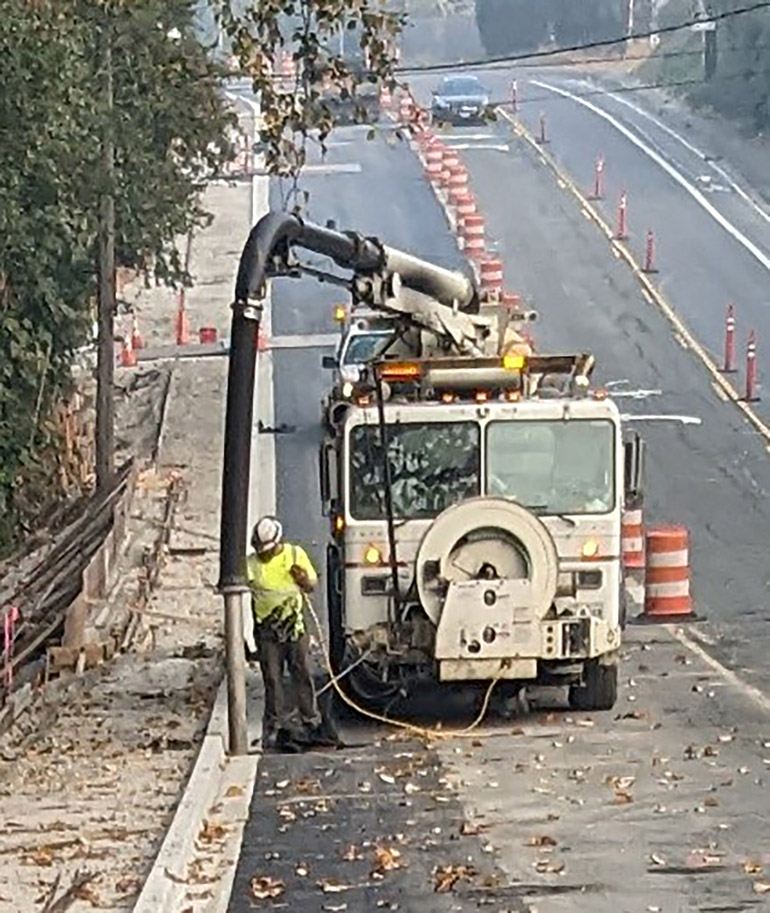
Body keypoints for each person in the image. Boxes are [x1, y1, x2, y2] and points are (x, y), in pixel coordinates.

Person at [245, 515, 330, 751]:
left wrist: (303, 579)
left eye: (267, 550)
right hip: (267, 631)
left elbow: (311, 585)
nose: (263, 555)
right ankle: (274, 725)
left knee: (301, 672)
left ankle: (311, 720)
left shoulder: (295, 556)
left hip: (295, 628)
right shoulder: (252, 564)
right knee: (272, 679)